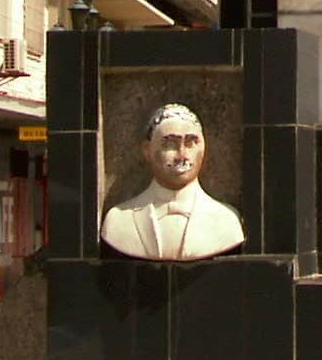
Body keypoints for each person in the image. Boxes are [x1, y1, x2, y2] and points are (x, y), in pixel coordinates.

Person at [100, 103, 246, 262]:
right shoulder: (119, 221)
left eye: (190, 143)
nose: (182, 155)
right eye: (170, 144)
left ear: (203, 148)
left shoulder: (226, 221)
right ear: (147, 150)